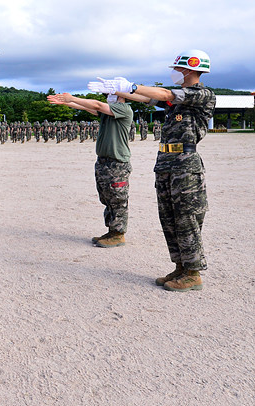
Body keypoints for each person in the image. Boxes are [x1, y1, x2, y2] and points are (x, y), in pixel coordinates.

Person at [93, 49, 216, 292]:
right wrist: (116, 90)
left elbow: (163, 93)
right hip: (167, 163)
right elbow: (150, 99)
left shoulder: (202, 94)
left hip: (185, 165)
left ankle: (193, 273)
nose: (174, 72)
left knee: (186, 218)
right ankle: (180, 267)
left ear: (189, 69)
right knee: (169, 218)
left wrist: (131, 85)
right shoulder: (176, 100)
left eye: (177, 68)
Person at [47, 92, 133, 247]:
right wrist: (66, 103)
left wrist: (72, 98)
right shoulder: (108, 113)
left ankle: (119, 234)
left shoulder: (124, 109)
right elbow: (88, 107)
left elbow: (97, 105)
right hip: (104, 162)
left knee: (118, 199)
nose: (107, 96)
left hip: (117, 163)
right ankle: (112, 231)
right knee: (107, 198)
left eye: (110, 94)